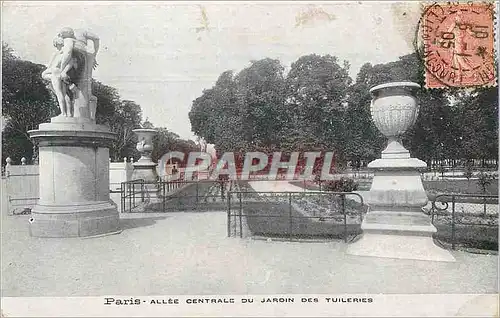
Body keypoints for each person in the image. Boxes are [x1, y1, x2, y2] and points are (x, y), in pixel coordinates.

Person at [41, 36, 78, 116]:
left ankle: (63, 113)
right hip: (61, 74)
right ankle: (69, 113)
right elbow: (70, 64)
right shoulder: (66, 55)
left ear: (56, 44)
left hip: (55, 73)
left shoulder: (57, 54)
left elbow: (49, 67)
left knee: (59, 93)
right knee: (65, 94)